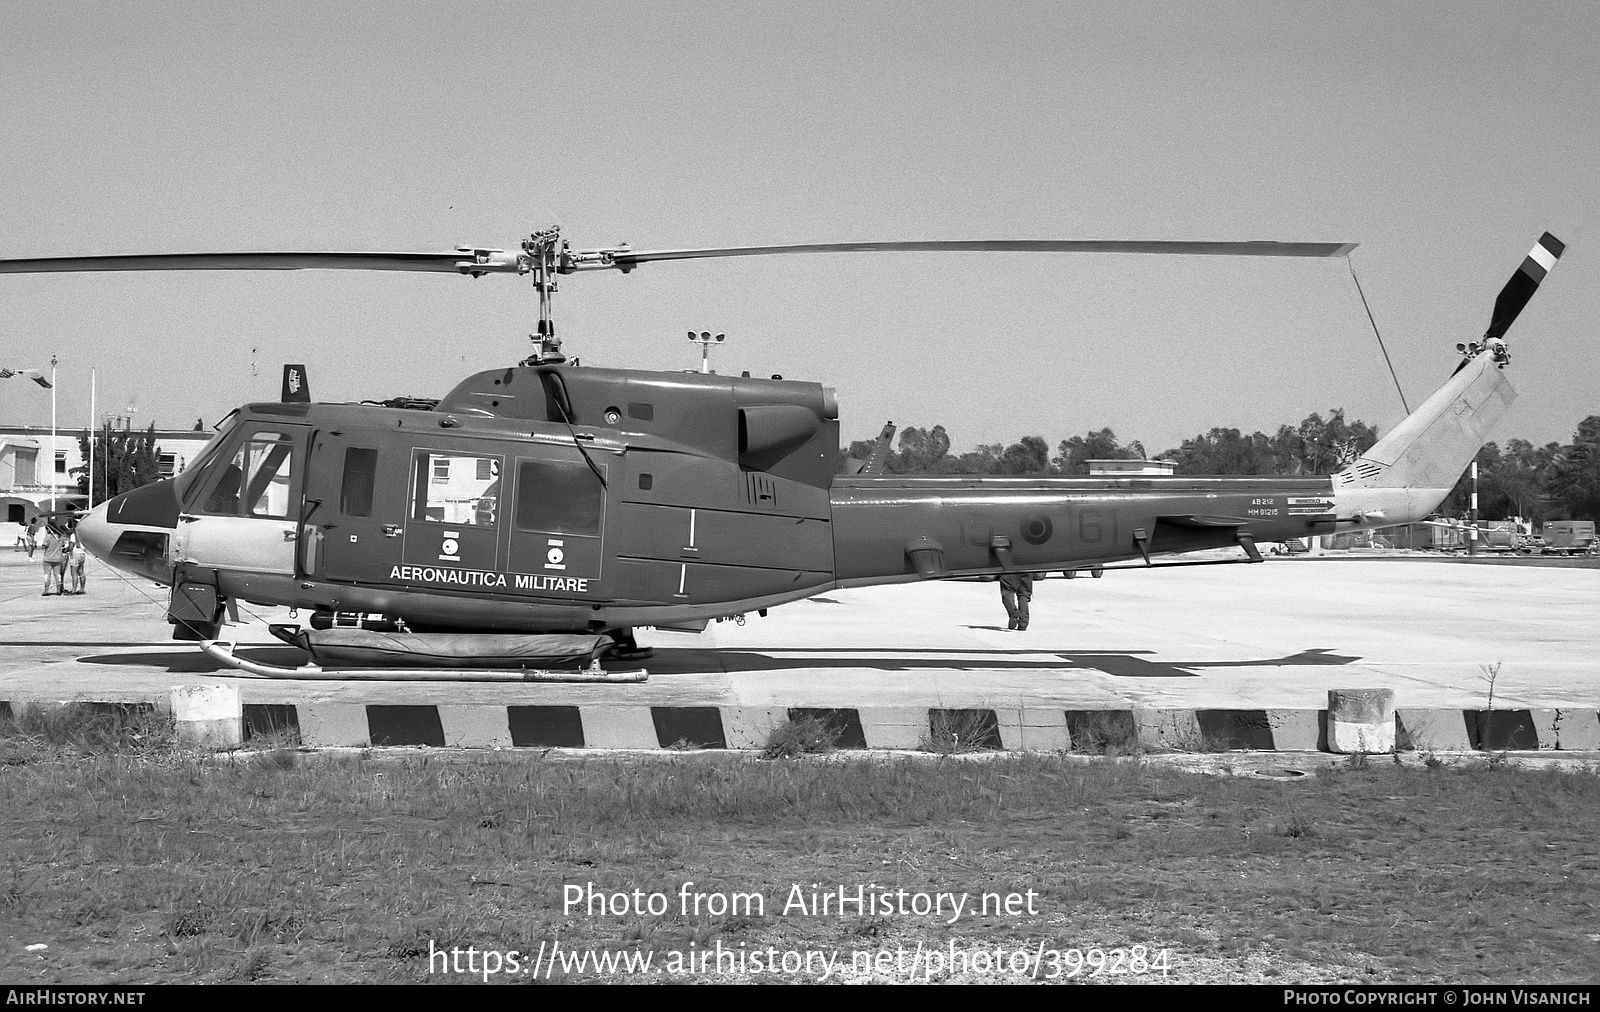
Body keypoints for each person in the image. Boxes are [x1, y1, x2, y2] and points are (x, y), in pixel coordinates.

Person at [40, 523, 66, 596]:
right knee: (57, 574)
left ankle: (46, 590)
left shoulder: (48, 537)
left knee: (47, 574)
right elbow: (63, 545)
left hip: (48, 557)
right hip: (58, 557)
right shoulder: (60, 536)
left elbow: (44, 546)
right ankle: (58, 590)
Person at [65, 523, 88, 594]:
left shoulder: (73, 535)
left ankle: (74, 589)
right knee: (81, 571)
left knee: (74, 572)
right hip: (82, 553)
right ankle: (82, 588)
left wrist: (66, 550)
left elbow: (71, 546)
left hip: (75, 553)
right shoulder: (81, 534)